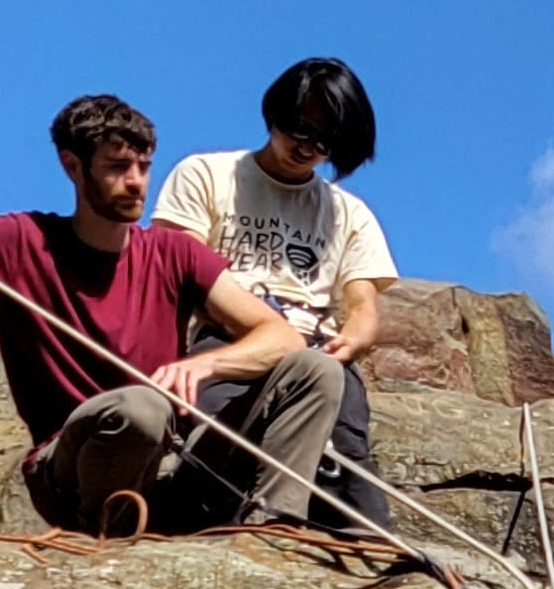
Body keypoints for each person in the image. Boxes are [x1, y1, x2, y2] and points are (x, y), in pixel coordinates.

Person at [0, 94, 346, 535]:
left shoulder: (172, 254)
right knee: (140, 407)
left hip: (172, 468)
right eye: (118, 166)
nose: (137, 182)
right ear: (74, 166)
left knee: (318, 370)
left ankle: (273, 528)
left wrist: (211, 366)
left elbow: (278, 337)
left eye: (144, 165)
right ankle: (110, 530)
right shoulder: (19, 242)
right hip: (71, 470)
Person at [155, 58, 398, 534]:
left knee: (346, 447)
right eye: (298, 128)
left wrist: (352, 341)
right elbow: (173, 266)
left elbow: (363, 305)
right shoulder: (207, 174)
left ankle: (360, 543)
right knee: (222, 435)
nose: (306, 147)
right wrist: (259, 326)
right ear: (274, 113)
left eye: (324, 142)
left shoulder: (349, 213)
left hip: (317, 348)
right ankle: (227, 511)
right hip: (228, 337)